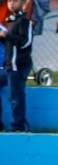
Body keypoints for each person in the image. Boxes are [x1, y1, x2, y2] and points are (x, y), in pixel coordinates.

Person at [0, 0, 32, 132]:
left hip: (18, 65)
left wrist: (7, 35)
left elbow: (25, 43)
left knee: (16, 96)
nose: (11, 4)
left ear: (23, 3)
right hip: (9, 65)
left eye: (16, 1)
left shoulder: (24, 21)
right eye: (10, 1)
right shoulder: (10, 20)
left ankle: (19, 125)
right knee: (13, 95)